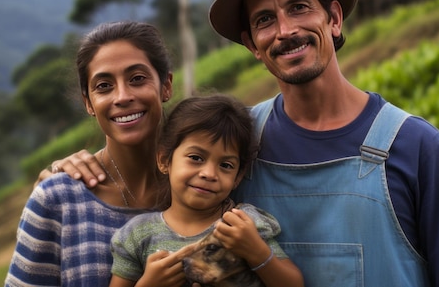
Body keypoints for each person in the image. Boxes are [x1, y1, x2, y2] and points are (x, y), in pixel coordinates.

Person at [43, 0, 439, 287]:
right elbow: (169, 201)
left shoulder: (413, 146)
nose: (285, 31)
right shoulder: (237, 141)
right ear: (252, 46)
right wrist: (78, 167)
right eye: (264, 20)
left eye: (299, 8)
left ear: (334, 18)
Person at [6, 21, 181, 287]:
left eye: (137, 79)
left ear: (165, 85)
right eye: (103, 86)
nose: (121, 96)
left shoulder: (205, 184)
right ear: (88, 102)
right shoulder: (57, 201)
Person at [108, 94, 303, 287]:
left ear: (238, 177)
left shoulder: (242, 225)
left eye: (225, 165)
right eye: (196, 158)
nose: (209, 173)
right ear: (164, 159)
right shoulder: (137, 235)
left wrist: (257, 252)